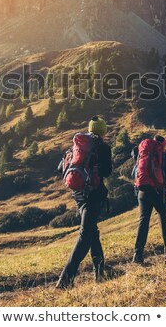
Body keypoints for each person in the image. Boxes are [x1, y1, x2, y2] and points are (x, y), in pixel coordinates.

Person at [56, 116, 112, 289]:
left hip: (77, 194)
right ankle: (65, 279)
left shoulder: (77, 145)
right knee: (85, 235)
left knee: (91, 232)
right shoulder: (102, 147)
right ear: (102, 131)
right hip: (92, 196)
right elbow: (108, 172)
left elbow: (60, 168)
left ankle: (100, 272)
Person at [132, 135, 166, 264]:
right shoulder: (164, 156)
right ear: (162, 145)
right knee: (164, 220)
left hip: (142, 193)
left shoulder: (142, 154)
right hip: (159, 193)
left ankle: (137, 254)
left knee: (143, 222)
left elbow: (134, 173)